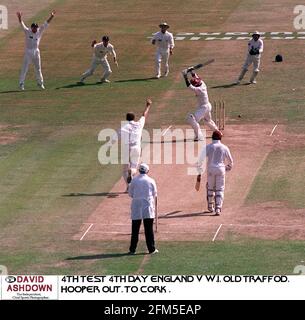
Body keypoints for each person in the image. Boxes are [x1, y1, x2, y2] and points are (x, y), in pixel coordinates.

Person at [107, 99, 152, 191]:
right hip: (136, 148)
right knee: (134, 167)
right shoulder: (138, 124)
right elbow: (144, 115)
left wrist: (109, 147)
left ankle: (128, 185)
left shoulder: (123, 127)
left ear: (126, 119)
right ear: (134, 118)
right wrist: (148, 105)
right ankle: (131, 173)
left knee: (124, 170)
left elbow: (114, 138)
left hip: (126, 149)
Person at [196, 130, 233, 216]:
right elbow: (231, 163)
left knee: (210, 188)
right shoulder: (224, 147)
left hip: (211, 170)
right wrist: (225, 169)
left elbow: (200, 160)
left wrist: (199, 170)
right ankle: (218, 209)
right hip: (220, 170)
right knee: (220, 189)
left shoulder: (208, 147)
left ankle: (210, 207)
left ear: (212, 138)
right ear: (220, 138)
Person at [17, 10, 56, 91]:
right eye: (34, 27)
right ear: (31, 28)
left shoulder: (39, 31)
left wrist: (51, 16)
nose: (35, 29)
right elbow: (22, 25)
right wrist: (20, 18)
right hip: (28, 51)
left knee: (38, 68)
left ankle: (40, 83)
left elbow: (46, 23)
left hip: (36, 51)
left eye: (36, 27)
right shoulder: (27, 31)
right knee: (25, 68)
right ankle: (21, 84)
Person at [128, 163, 158, 255]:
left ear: (139, 170)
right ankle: (151, 249)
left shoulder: (134, 181)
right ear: (147, 171)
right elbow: (154, 194)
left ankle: (132, 250)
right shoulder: (151, 181)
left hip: (136, 206)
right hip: (147, 206)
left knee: (135, 229)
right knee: (148, 229)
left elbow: (130, 194)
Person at [181, 69, 218, 141]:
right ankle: (217, 131)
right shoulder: (203, 84)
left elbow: (189, 86)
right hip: (207, 106)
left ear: (196, 85)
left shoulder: (198, 90)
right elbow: (196, 77)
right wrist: (192, 72)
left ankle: (199, 136)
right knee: (207, 120)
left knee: (191, 119)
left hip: (203, 108)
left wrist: (185, 76)